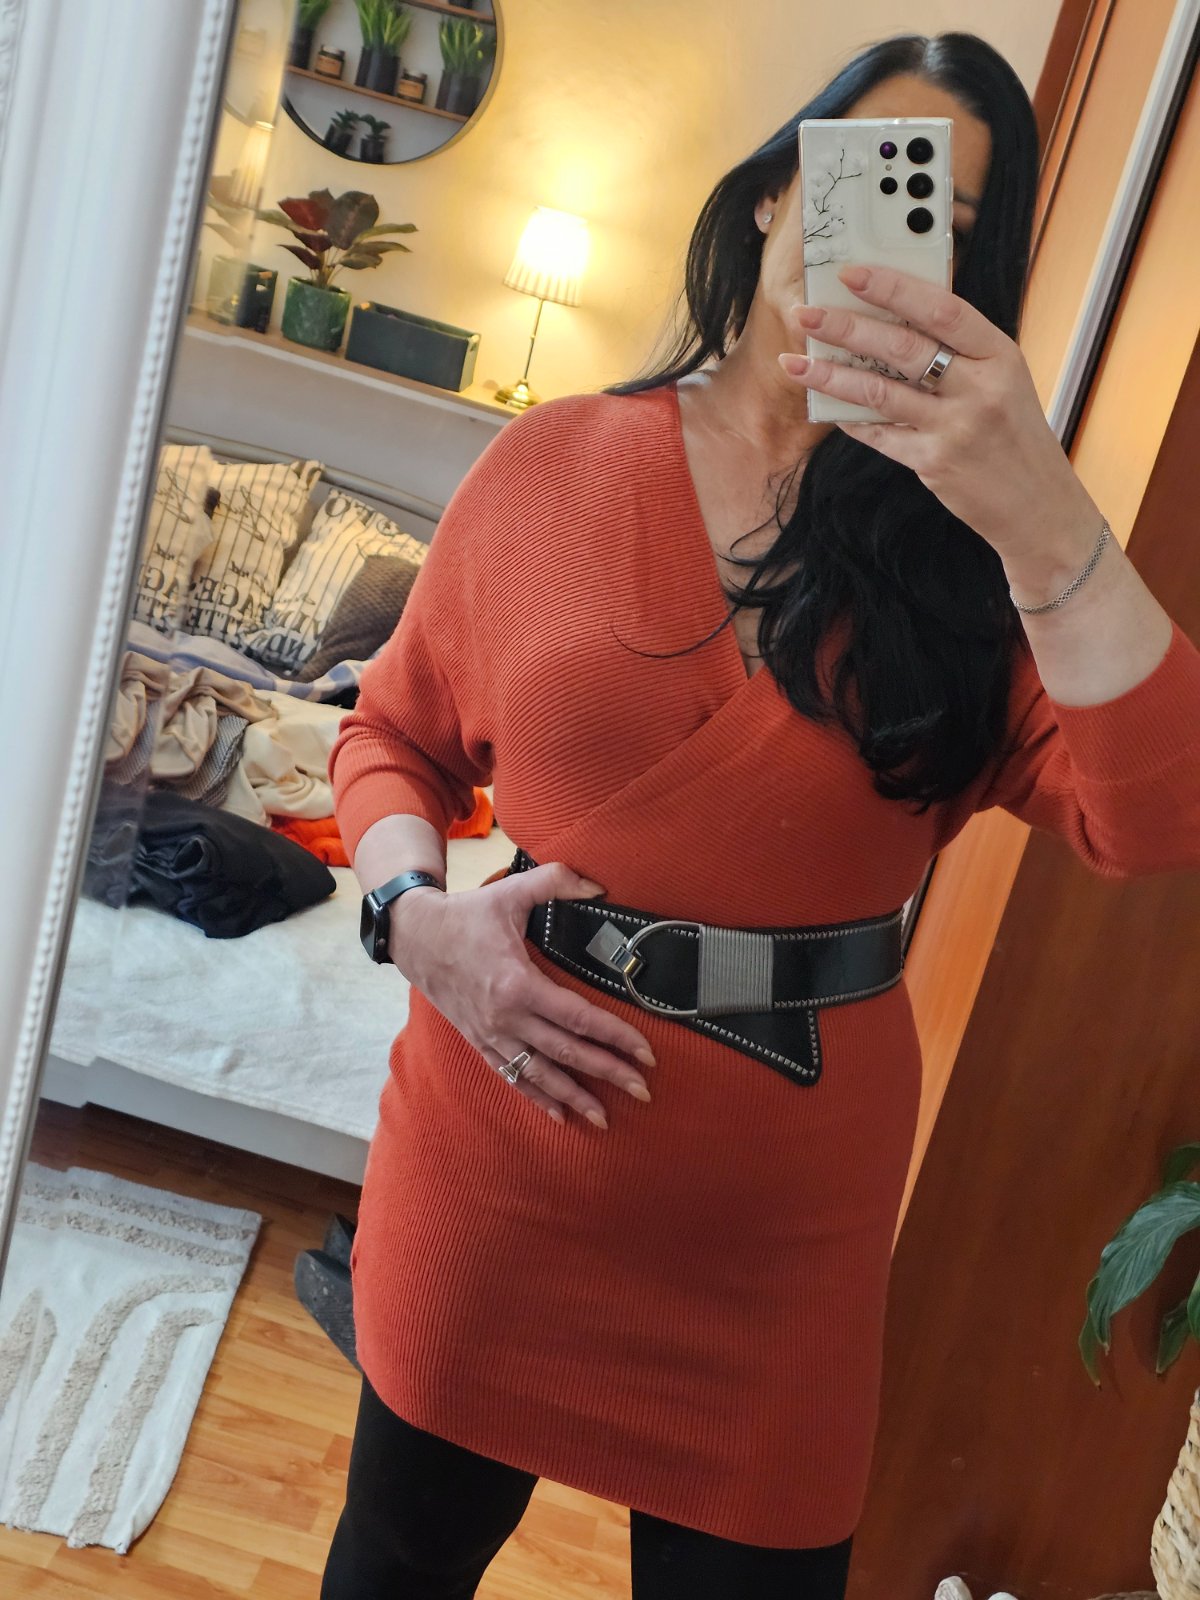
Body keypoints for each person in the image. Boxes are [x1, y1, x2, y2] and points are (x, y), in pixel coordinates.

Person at [320, 31, 1200, 1600]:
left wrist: (1045, 515)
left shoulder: (979, 568)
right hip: (491, 1177)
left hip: (776, 1265)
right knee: (391, 1570)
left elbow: (1160, 817)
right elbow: (390, 736)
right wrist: (414, 920)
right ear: (775, 191)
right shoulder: (554, 464)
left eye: (936, 220)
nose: (873, 239)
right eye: (857, 172)